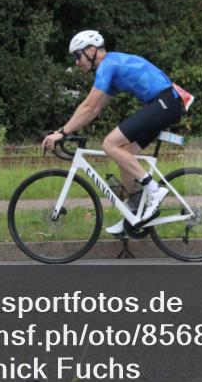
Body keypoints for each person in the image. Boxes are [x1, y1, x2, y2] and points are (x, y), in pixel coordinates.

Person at [42, 30, 184, 236]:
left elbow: (88, 107)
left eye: (77, 56)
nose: (76, 62)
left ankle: (154, 190)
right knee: (124, 152)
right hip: (165, 104)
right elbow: (94, 110)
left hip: (164, 102)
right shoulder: (112, 70)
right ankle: (133, 217)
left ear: (91, 51)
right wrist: (64, 130)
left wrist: (62, 133)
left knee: (109, 144)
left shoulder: (108, 65)